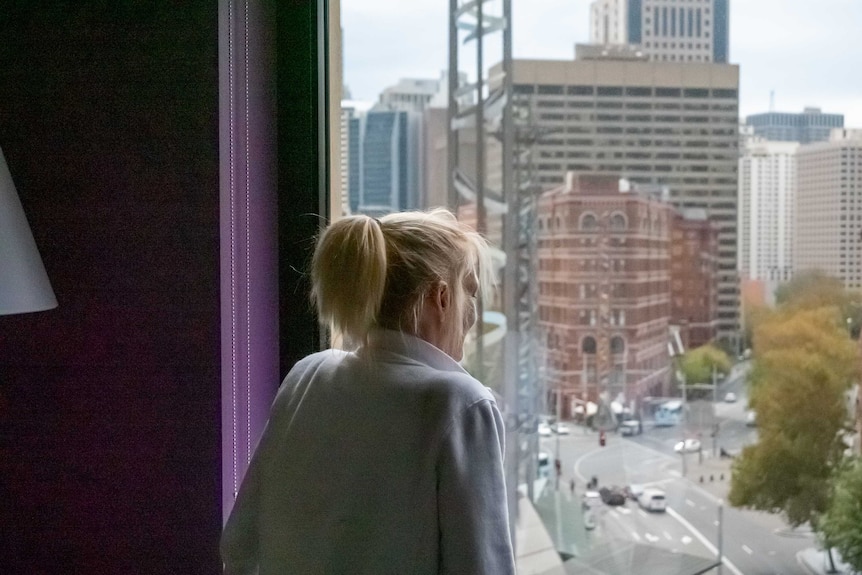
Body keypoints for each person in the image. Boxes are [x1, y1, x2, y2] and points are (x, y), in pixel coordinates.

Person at [220, 209, 516, 575]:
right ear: (440, 297)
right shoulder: (460, 403)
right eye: (468, 292)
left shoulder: (308, 375)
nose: (471, 315)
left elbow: (238, 546)